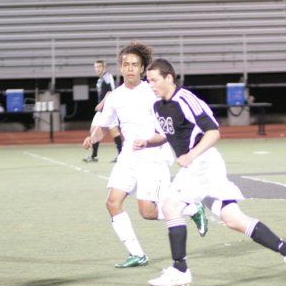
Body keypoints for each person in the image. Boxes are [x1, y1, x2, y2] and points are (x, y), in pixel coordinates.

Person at [134, 58, 286, 286]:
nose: (150, 84)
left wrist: (191, 155)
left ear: (169, 78)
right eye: (148, 80)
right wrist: (146, 142)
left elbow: (213, 132)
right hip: (197, 166)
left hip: (203, 163)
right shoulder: (158, 106)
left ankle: (180, 269)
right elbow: (165, 134)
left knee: (170, 206)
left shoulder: (186, 99)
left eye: (154, 80)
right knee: (233, 219)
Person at [82, 43, 208, 269]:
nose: (130, 69)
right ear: (120, 68)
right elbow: (104, 127)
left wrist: (156, 140)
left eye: (135, 65)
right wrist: (93, 138)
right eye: (126, 65)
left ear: (142, 69)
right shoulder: (115, 97)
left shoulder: (153, 92)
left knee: (147, 212)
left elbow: (167, 126)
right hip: (128, 156)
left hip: (153, 155)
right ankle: (137, 254)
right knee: (112, 202)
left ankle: (190, 207)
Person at [83, 59, 122, 163]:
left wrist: (101, 103)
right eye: (96, 67)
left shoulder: (107, 77)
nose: (97, 69)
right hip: (102, 111)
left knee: (114, 132)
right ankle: (94, 155)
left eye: (99, 67)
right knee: (93, 130)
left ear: (104, 67)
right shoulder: (99, 80)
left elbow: (111, 92)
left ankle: (121, 155)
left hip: (109, 110)